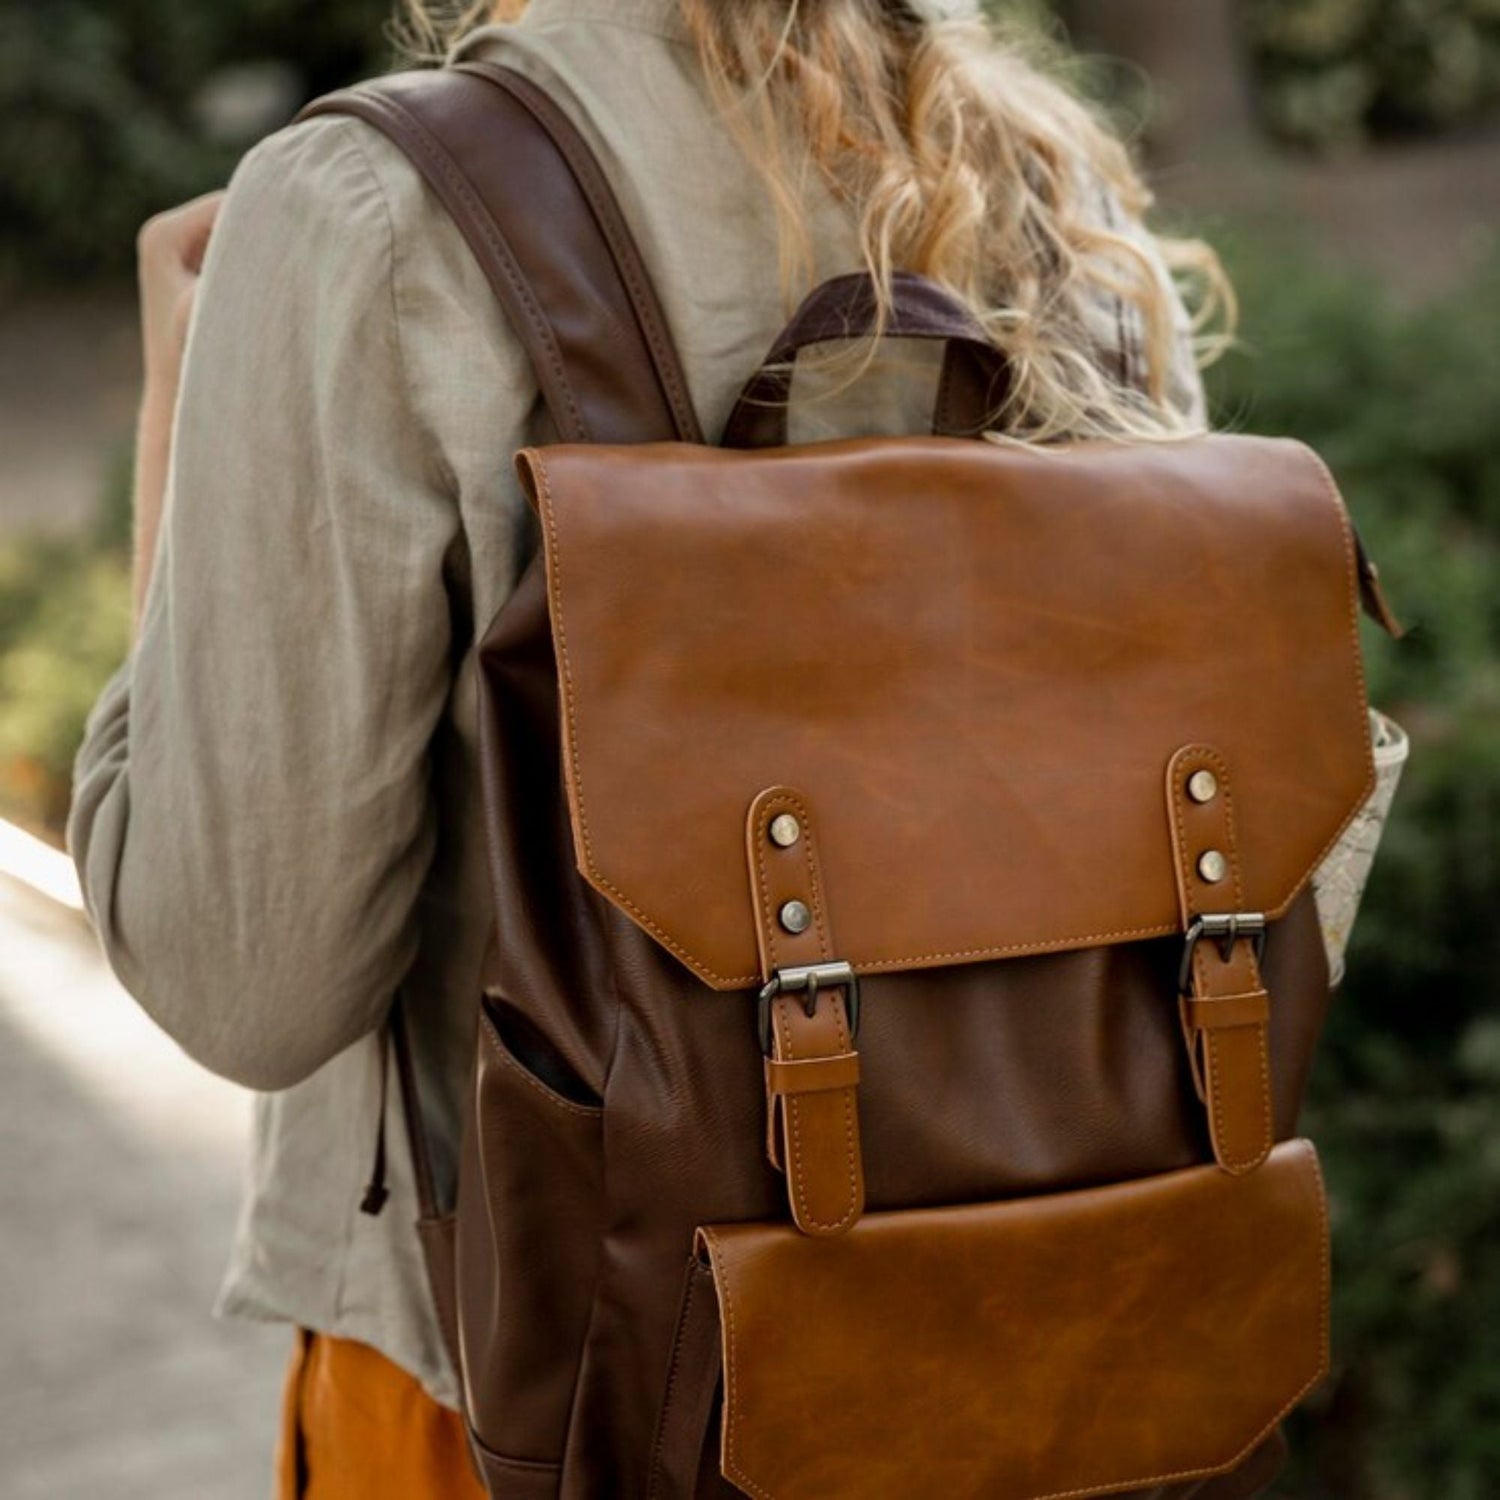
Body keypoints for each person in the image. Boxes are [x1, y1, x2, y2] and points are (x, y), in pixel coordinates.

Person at [70, 1, 1237, 1493]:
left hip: (547, 1406)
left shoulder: (375, 210)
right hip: (1050, 1356)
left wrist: (181, 419)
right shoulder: (1049, 184)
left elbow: (247, 980)